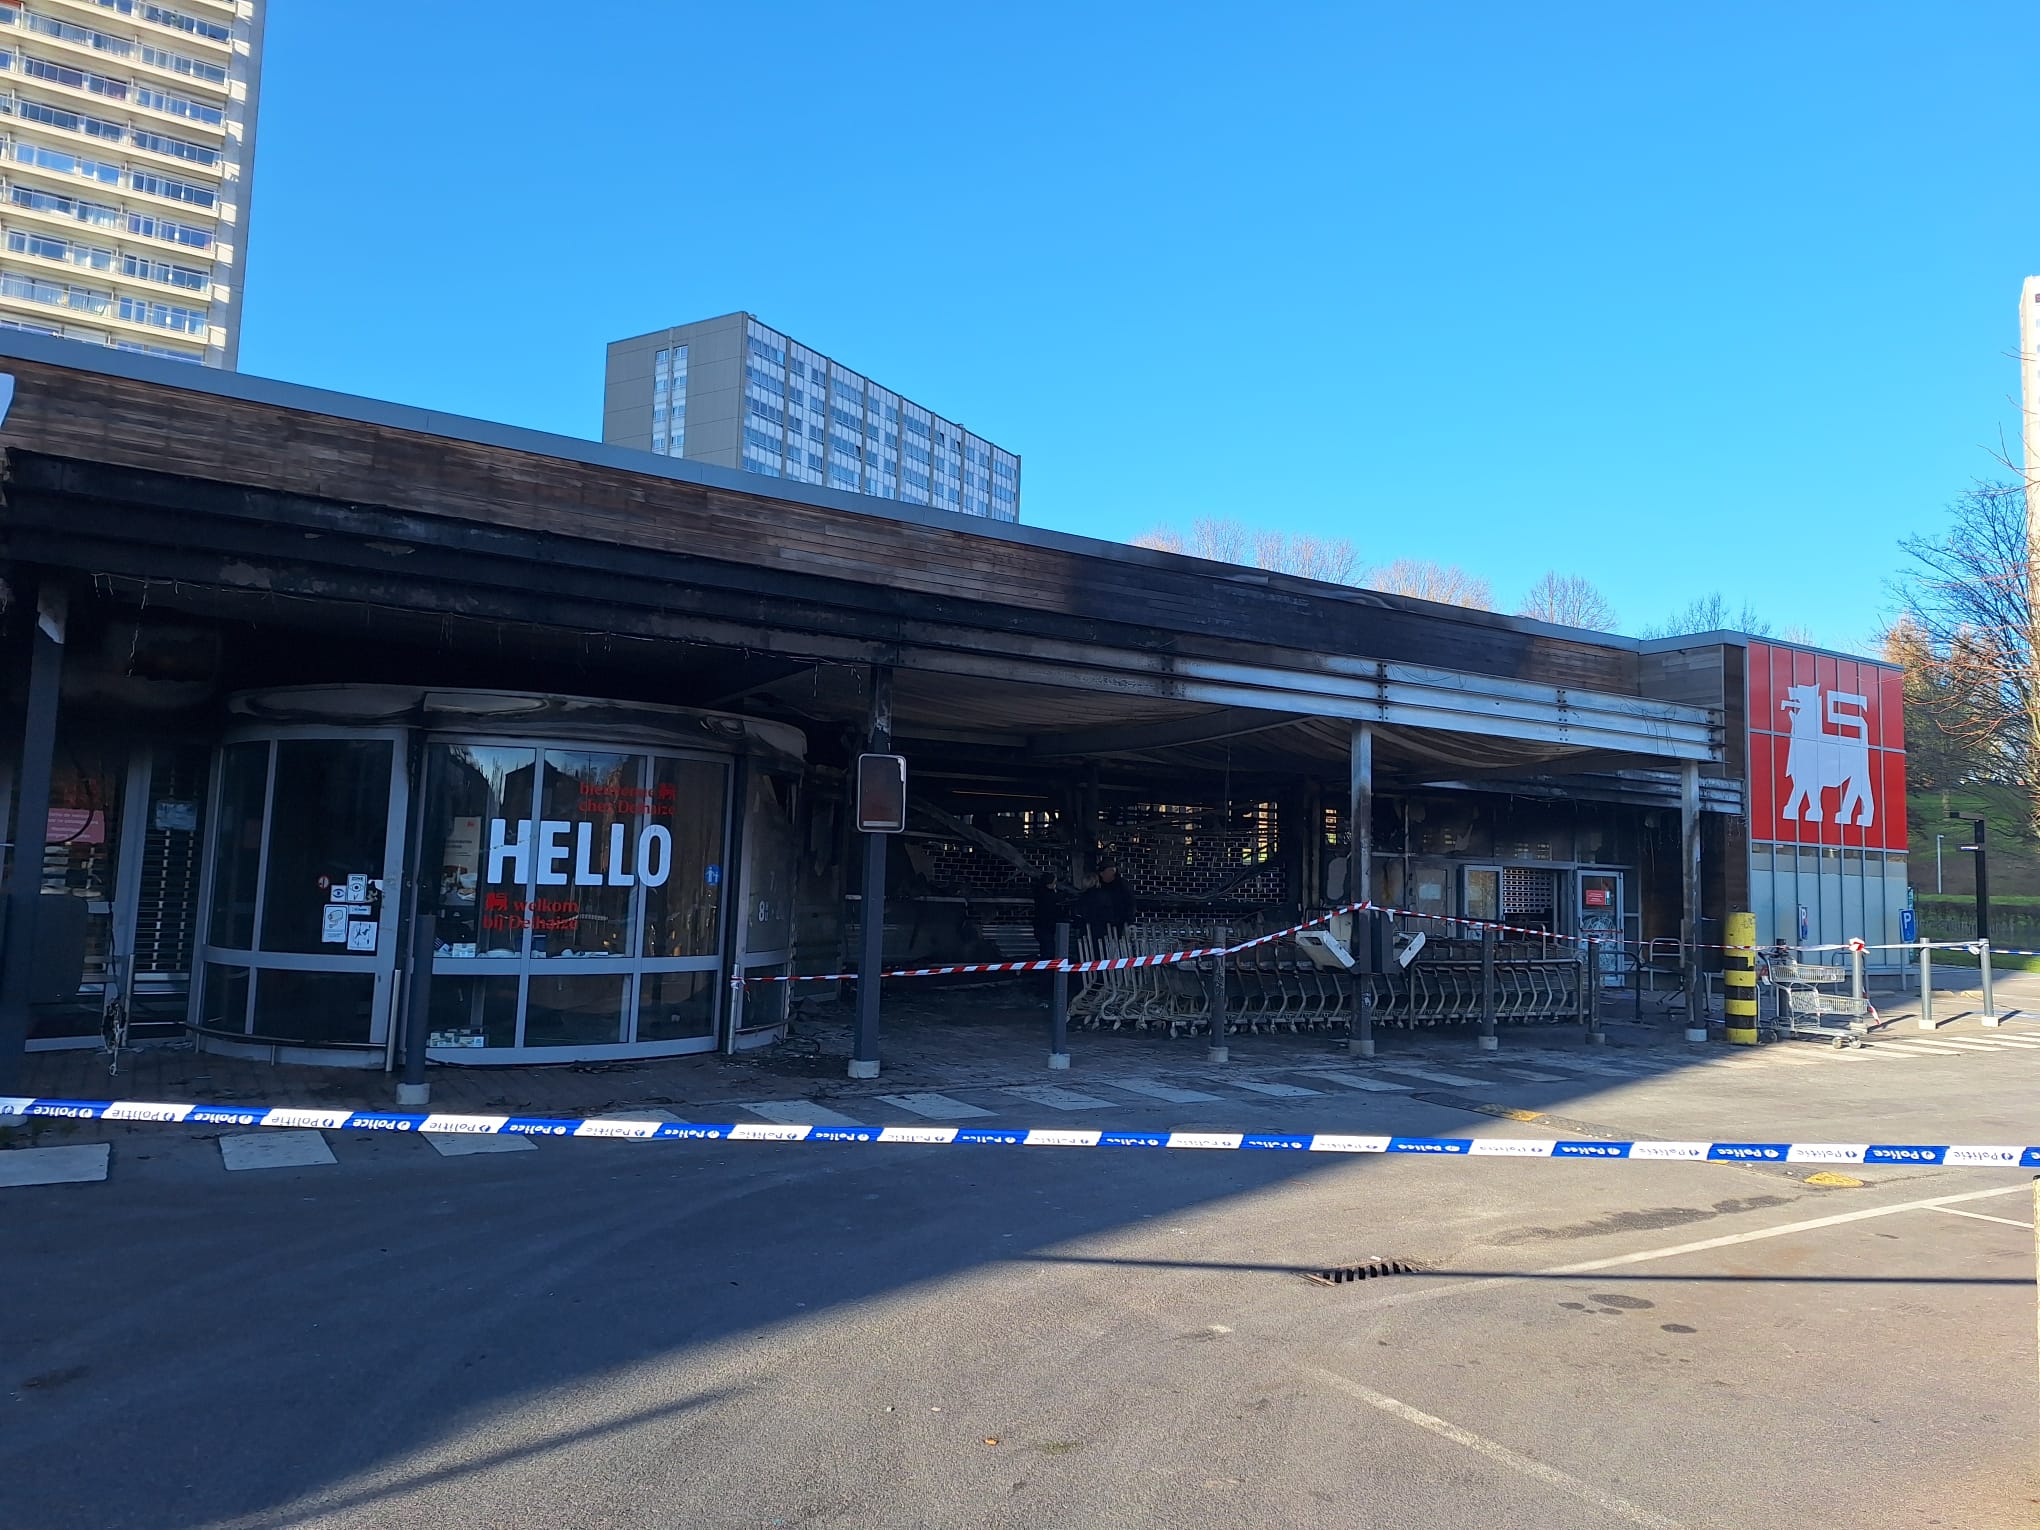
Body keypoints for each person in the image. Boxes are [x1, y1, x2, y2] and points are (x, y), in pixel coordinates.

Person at [1076, 858, 1137, 940]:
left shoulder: (1122, 885)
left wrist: (1130, 921)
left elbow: (1130, 903)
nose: (1113, 872)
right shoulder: (1096, 888)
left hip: (1115, 924)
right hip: (1099, 926)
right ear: (1102, 873)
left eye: (1113, 870)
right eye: (1110, 870)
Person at [1030, 872, 1071, 959]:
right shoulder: (1048, 895)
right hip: (1046, 927)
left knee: (1045, 949)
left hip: (1042, 926)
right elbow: (1057, 899)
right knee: (1048, 951)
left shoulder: (1040, 893)